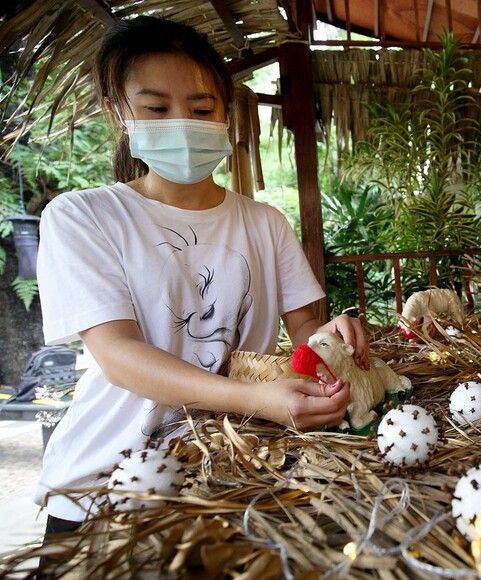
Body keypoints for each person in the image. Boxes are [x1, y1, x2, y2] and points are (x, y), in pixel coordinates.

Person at [34, 16, 367, 536]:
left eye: (202, 108)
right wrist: (257, 401)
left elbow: (307, 328)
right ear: (118, 112)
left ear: (224, 113)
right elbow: (118, 355)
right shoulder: (82, 216)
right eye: (156, 107)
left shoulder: (264, 223)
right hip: (105, 488)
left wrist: (333, 338)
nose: (181, 121)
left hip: (234, 477)